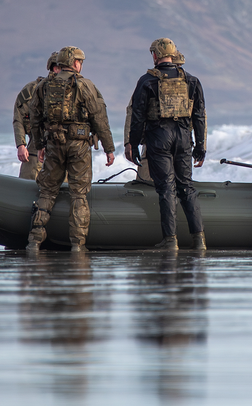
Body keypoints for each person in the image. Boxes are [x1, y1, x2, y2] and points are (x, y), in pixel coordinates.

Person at [26, 46, 116, 253]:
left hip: (53, 144)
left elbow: (34, 115)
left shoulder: (44, 86)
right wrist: (109, 148)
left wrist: (39, 145)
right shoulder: (85, 85)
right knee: (79, 195)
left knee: (47, 191)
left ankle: (35, 239)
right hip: (79, 146)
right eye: (80, 61)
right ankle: (77, 244)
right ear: (75, 63)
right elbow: (99, 118)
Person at [127, 39, 207, 250]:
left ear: (155, 55)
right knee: (187, 187)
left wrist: (133, 144)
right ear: (173, 55)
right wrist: (200, 146)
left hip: (159, 138)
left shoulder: (146, 81)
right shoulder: (192, 80)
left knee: (166, 189)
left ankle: (170, 240)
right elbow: (199, 116)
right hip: (183, 138)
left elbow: (137, 117)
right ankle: (199, 240)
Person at [122, 50, 186, 183]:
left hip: (179, 147)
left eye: (179, 66)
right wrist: (129, 142)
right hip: (153, 144)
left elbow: (199, 115)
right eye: (176, 65)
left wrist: (200, 146)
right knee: (147, 183)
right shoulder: (151, 83)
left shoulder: (187, 84)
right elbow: (134, 111)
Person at [13, 52, 58, 180]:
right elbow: (19, 118)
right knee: (29, 186)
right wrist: (21, 145)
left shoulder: (75, 90)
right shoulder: (32, 90)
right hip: (35, 149)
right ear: (56, 68)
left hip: (62, 151)